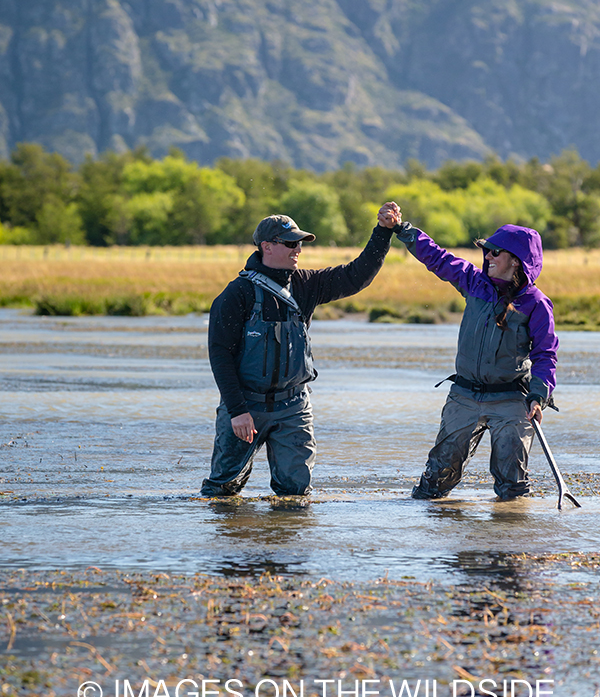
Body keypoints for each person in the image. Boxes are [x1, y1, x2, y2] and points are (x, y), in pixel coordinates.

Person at [201, 203, 402, 497]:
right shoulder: (236, 294)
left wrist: (383, 233)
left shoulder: (306, 284)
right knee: (223, 489)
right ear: (266, 247)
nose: (298, 249)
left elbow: (356, 275)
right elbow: (220, 355)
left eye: (300, 243)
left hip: (293, 407)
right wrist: (238, 411)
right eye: (291, 243)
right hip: (246, 407)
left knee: (294, 495)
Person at [392, 216, 559, 501]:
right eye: (487, 250)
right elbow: (437, 257)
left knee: (512, 487)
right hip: (464, 395)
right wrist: (403, 230)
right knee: (436, 478)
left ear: (516, 260)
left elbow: (545, 354)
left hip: (512, 399)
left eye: (496, 251)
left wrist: (539, 395)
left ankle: (510, 538)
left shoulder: (536, 303)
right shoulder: (473, 282)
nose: (488, 256)